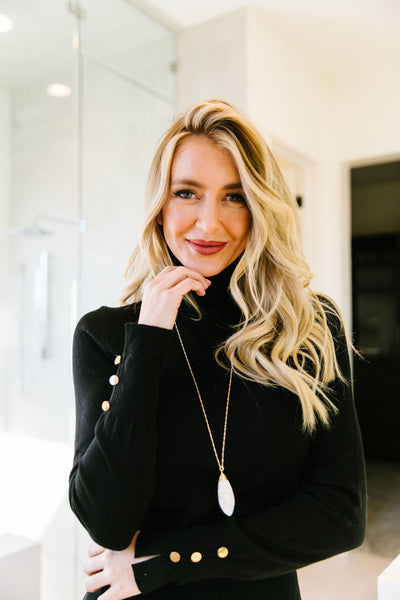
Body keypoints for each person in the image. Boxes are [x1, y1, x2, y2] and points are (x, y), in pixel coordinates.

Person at [69, 99, 366, 600]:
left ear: (260, 208)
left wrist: (166, 561)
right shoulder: (105, 334)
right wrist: (148, 338)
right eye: (187, 193)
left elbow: (341, 515)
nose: (209, 224)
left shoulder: (309, 326)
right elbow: (107, 521)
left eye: (234, 197)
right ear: (160, 205)